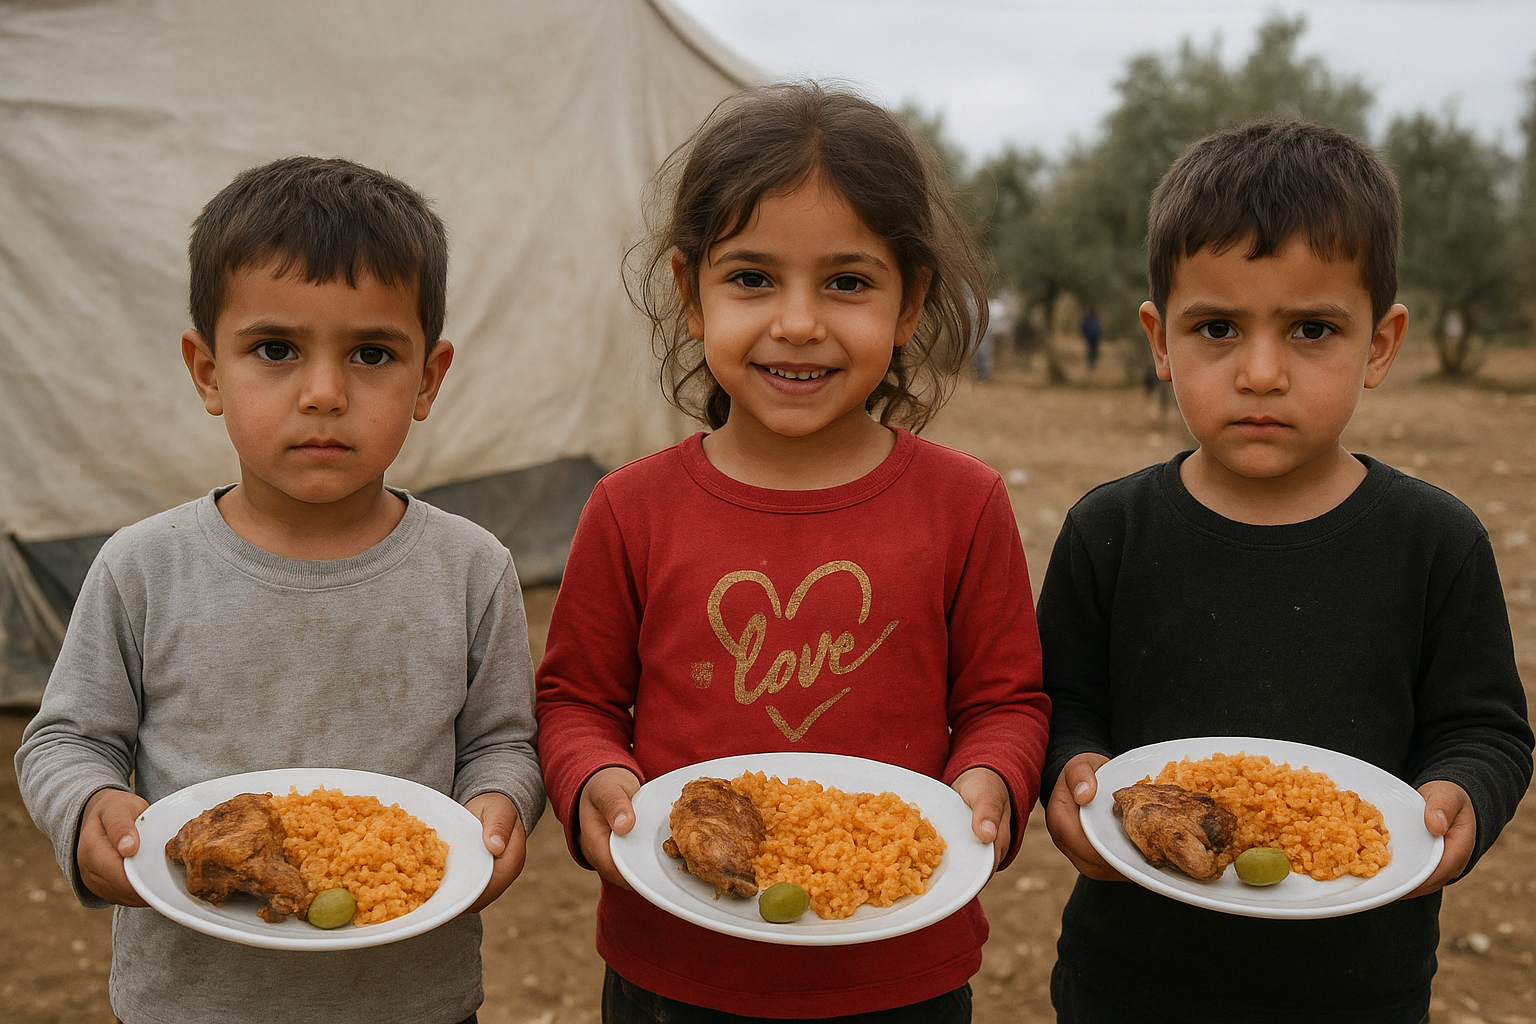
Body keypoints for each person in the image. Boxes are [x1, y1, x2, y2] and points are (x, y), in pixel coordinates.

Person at [536, 82, 1051, 1022]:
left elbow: (1004, 701)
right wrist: (593, 787)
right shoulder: (630, 509)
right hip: (675, 958)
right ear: (692, 296)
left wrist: (990, 786)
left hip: (900, 953)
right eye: (752, 278)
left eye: (847, 282)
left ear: (911, 303)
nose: (800, 322)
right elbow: (575, 700)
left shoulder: (964, 504)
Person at [15, 156, 545, 1024]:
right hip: (191, 996)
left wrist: (496, 808)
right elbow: (66, 738)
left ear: (429, 379)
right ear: (207, 371)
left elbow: (501, 743)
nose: (325, 393)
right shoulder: (144, 567)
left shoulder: (470, 569)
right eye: (275, 350)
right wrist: (90, 810)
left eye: (372, 353)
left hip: (412, 993)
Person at [1038, 120, 1533, 1024]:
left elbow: (1486, 729)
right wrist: (1073, 772)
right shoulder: (1109, 532)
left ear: (1379, 345)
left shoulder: (1434, 541)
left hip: (1357, 981)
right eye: (1217, 328)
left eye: (1311, 329)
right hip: (1132, 973)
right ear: (1159, 341)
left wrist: (1462, 797)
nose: (1260, 373)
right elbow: (1065, 700)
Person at [1078, 306, 1102, 371]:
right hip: (1091, 338)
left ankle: (1091, 363)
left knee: (1093, 350)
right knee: (1092, 350)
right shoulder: (1091, 320)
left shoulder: (1093, 320)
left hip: (1093, 338)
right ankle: (1091, 363)